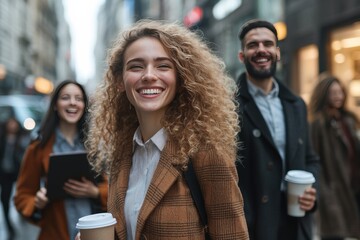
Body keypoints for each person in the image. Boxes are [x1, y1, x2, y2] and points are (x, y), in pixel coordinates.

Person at [83, 19, 249, 240]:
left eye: (163, 66)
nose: (149, 75)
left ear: (181, 79)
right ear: (119, 82)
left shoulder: (206, 152)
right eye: (136, 66)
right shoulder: (121, 154)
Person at [235, 19, 320, 240]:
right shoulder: (228, 106)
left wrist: (312, 191)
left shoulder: (296, 105)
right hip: (254, 226)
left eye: (268, 44)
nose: (261, 50)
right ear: (242, 56)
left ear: (277, 52)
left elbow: (310, 159)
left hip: (296, 222)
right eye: (253, 45)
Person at [14, 80, 108, 240]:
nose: (73, 102)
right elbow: (22, 196)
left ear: (84, 105)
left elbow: (114, 189)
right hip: (55, 233)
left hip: (93, 234)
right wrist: (37, 201)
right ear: (55, 105)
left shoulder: (94, 145)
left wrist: (95, 192)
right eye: (65, 97)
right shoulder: (38, 147)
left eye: (79, 99)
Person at [308, 73, 360, 240]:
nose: (338, 96)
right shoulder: (318, 124)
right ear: (324, 94)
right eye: (333, 92)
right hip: (332, 189)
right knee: (334, 233)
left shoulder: (348, 120)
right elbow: (314, 158)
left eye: (340, 92)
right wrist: (322, 192)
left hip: (353, 184)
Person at [0, 116, 28, 240]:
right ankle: (9, 225)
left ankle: (24, 214)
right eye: (9, 123)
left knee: (21, 195)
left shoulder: (22, 139)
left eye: (14, 123)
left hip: (18, 173)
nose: (12, 126)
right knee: (5, 199)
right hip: (5, 174)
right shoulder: (2, 138)